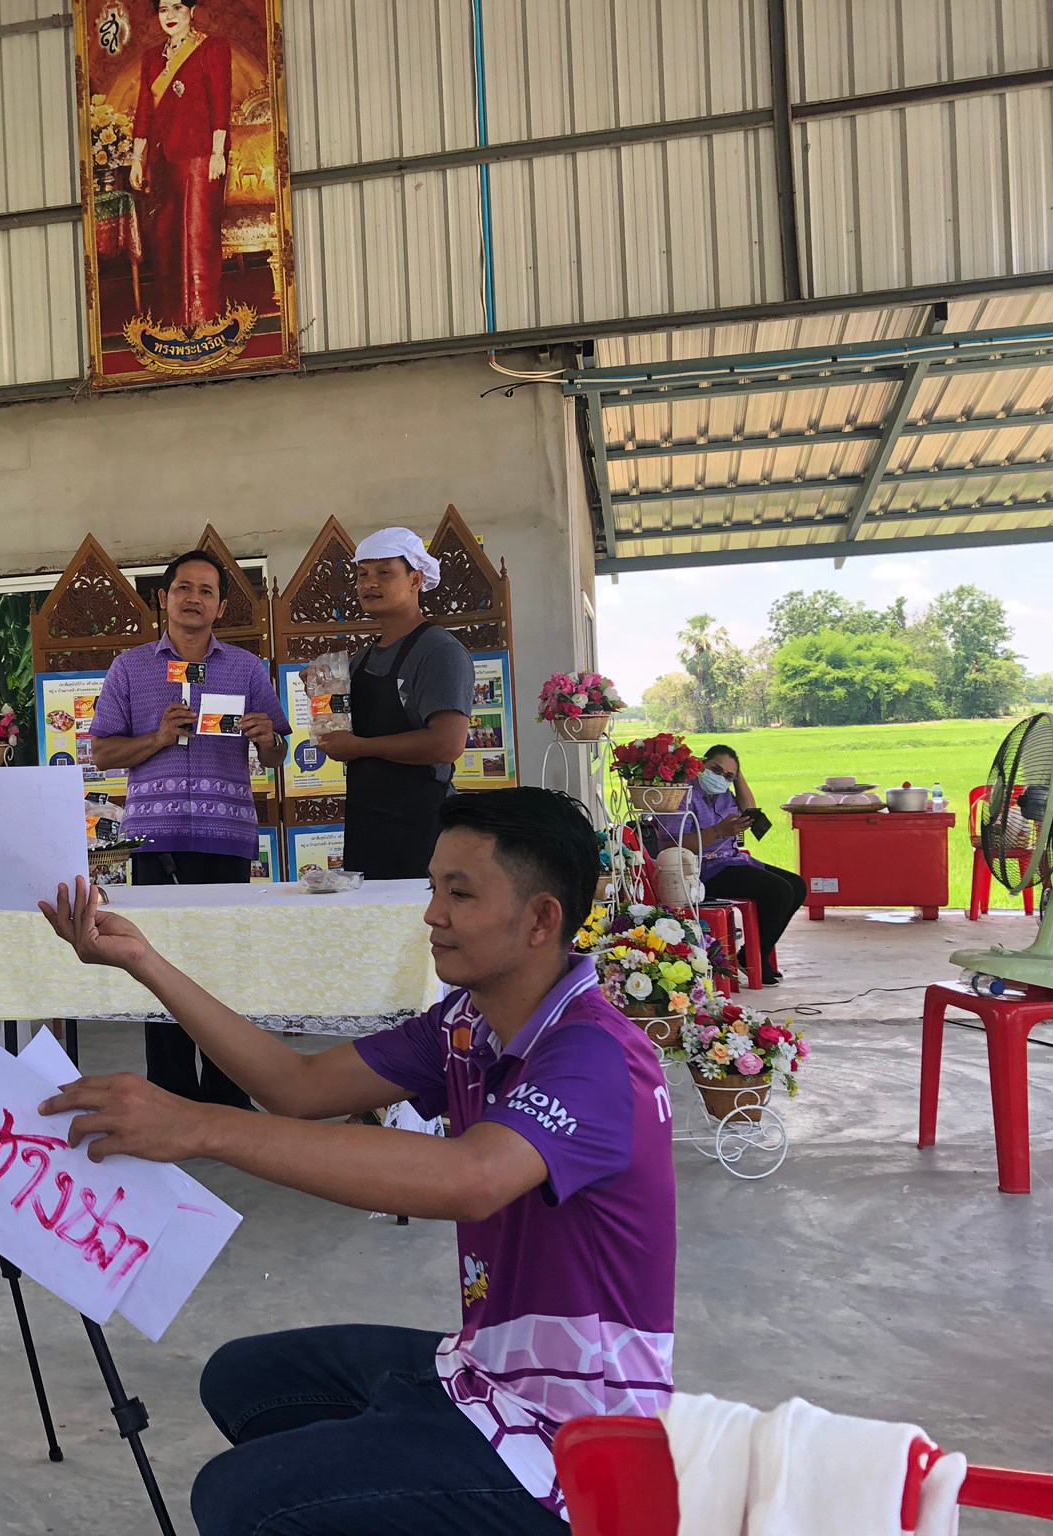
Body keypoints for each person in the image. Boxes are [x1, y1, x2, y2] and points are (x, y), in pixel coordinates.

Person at [37, 788, 676, 1535]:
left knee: (238, 1499)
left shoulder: (596, 1055)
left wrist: (198, 1126)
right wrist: (142, 962)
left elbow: (472, 1178)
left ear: (541, 919)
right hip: (486, 1372)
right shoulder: (466, 1024)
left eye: (460, 894)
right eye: (434, 888)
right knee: (247, 1381)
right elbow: (298, 1087)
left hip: (576, 1439)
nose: (432, 915)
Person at [88, 549, 289, 1107]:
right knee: (157, 969)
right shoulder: (131, 668)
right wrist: (157, 737)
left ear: (221, 606)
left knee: (224, 973)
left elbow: (276, 755)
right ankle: (170, 1098)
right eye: (183, 588)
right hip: (155, 842)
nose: (193, 599)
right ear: (164, 597)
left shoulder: (247, 669)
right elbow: (101, 753)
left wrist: (267, 739)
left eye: (206, 591)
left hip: (226, 840)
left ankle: (228, 1101)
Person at [320, 527, 473, 880]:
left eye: (384, 572)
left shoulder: (439, 652)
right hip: (367, 826)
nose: (369, 583)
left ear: (416, 579)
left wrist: (360, 747)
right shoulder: (361, 659)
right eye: (362, 574)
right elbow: (342, 738)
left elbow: (447, 744)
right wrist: (322, 691)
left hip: (420, 830)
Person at [129, 0, 232, 328]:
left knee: (198, 238)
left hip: (201, 158)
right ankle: (174, 322)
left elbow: (221, 102)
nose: (170, 16)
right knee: (166, 242)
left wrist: (218, 153)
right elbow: (144, 111)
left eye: (177, 7)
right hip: (163, 160)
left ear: (192, 10)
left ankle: (204, 321)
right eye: (163, 9)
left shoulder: (212, 48)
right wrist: (137, 159)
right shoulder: (151, 58)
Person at [675, 744, 803, 984]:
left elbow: (750, 811)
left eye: (728, 775)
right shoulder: (684, 794)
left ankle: (756, 952)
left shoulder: (724, 793)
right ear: (702, 764)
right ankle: (753, 958)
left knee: (797, 886)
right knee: (780, 891)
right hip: (703, 869)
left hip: (733, 860)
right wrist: (718, 831)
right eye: (716, 769)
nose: (720, 778)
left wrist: (737, 777)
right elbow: (675, 844)